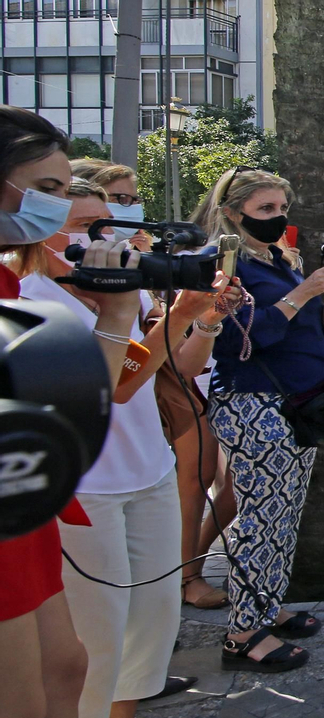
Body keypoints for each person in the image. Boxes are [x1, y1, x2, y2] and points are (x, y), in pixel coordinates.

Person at [0, 105, 164, 718]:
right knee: (15, 704)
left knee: (61, 670)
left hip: (24, 509)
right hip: (17, 509)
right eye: (48, 188)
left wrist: (121, 312)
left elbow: (86, 399)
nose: (63, 208)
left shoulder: (11, 279)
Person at [187, 165, 324, 673]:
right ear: (232, 212)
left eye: (281, 209)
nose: (277, 218)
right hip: (253, 403)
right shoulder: (222, 263)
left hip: (295, 402)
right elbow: (246, 338)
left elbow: (315, 331)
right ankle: (242, 634)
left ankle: (264, 607)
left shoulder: (277, 258)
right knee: (262, 519)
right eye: (265, 210)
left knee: (284, 516)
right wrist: (302, 293)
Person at [74, 157, 227, 612]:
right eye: (93, 222)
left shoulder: (135, 284)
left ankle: (146, 679)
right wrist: (173, 315)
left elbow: (171, 363)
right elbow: (118, 383)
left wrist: (203, 319)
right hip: (93, 470)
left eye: (129, 203)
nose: (118, 223)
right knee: (102, 611)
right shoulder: (33, 293)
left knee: (152, 605)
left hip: (150, 446)